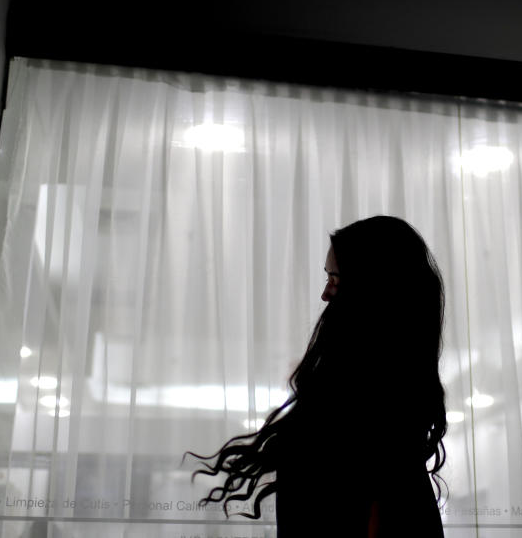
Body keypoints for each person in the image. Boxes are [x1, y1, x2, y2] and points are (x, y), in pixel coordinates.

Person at [186, 215, 448, 537]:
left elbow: (378, 509)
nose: (325, 294)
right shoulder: (373, 393)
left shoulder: (372, 400)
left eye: (335, 280)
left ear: (373, 290)